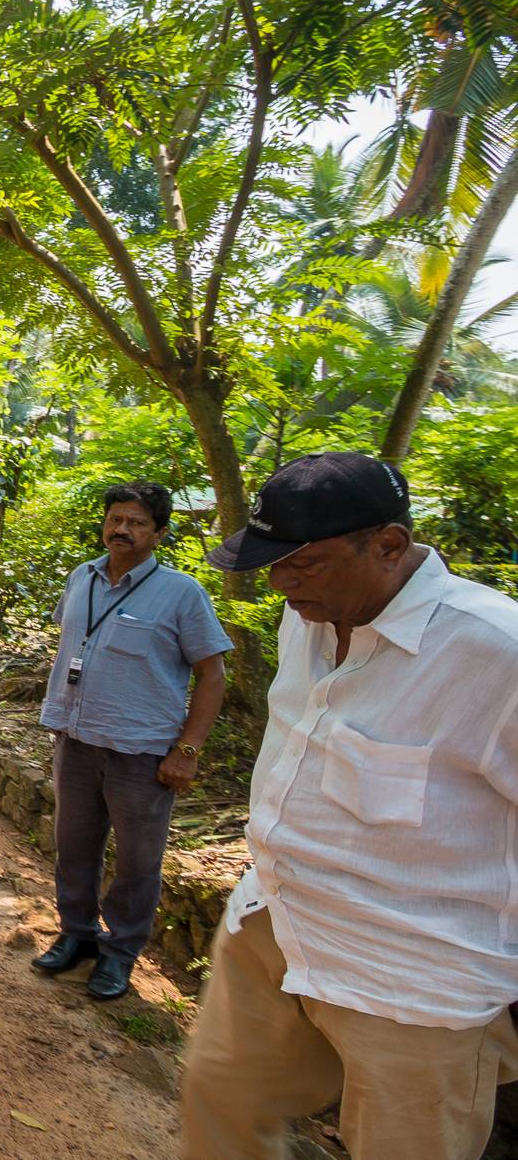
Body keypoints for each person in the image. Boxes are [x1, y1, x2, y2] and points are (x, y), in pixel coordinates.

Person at [180, 452, 518, 1160]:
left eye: (303, 563)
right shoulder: (308, 617)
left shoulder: (494, 652)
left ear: (389, 546)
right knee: (220, 1107)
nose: (280, 583)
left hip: (415, 982)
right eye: (273, 563)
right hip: (276, 919)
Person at [30, 482, 231, 1001]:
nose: (122, 529)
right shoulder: (82, 578)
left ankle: (120, 954)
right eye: (115, 519)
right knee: (74, 848)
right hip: (75, 740)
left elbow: (213, 675)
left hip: (142, 752)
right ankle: (76, 935)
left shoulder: (183, 593)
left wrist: (187, 750)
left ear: (160, 532)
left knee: (139, 862)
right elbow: (75, 644)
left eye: (137, 522)